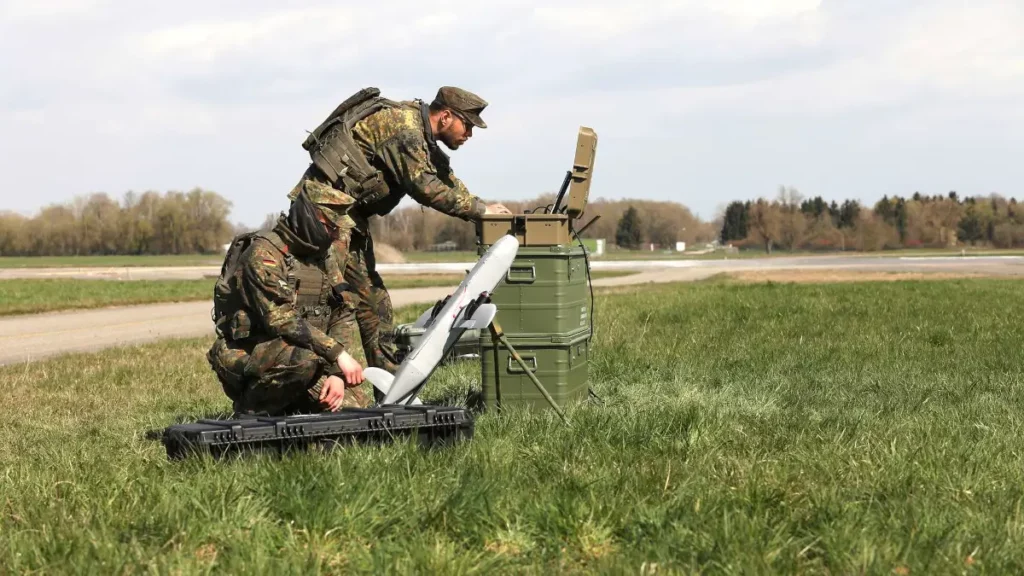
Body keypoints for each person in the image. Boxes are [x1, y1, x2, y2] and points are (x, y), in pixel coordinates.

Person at [289, 86, 511, 396]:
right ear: (446, 117)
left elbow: (444, 177)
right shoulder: (405, 130)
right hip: (323, 213)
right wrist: (479, 211)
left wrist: (482, 206)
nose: (470, 134)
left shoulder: (420, 133)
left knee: (374, 304)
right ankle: (316, 385)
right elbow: (426, 188)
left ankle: (393, 390)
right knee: (331, 299)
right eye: (468, 125)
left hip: (347, 217)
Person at [206, 181, 367, 415]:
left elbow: (343, 308)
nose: (335, 235)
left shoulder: (323, 255)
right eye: (330, 227)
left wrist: (335, 373)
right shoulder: (263, 254)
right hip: (250, 353)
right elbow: (281, 318)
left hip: (303, 353)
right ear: (308, 218)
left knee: (353, 406)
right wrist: (337, 354)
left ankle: (292, 403)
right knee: (304, 362)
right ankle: (252, 409)